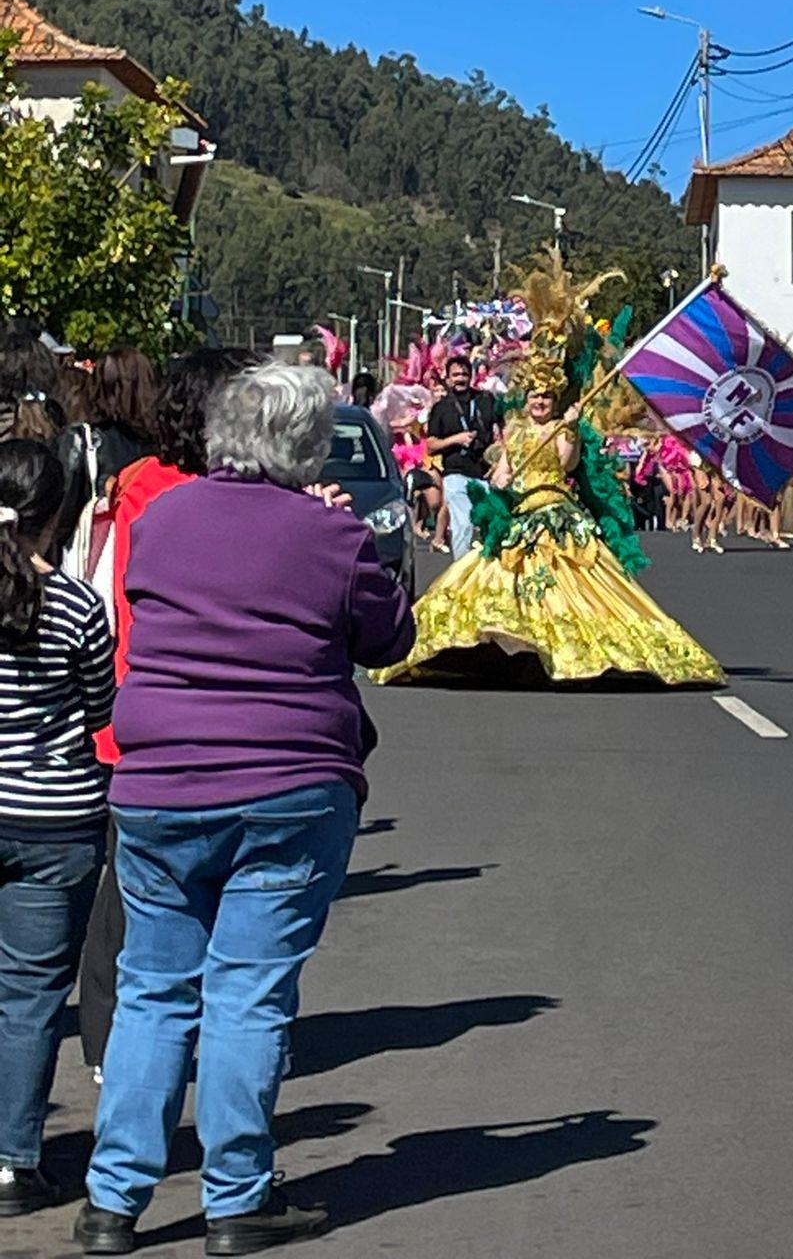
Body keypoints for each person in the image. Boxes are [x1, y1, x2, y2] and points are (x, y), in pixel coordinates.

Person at [78, 363, 414, 1256]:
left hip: (157, 781)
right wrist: (344, 532)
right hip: (286, 782)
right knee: (247, 995)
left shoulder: (162, 519)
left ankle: (112, 1200)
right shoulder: (328, 535)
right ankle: (234, 1198)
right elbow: (387, 635)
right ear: (306, 447)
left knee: (154, 990)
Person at [377, 254, 723, 690]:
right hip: (519, 516)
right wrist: (493, 495)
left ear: (555, 399)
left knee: (574, 589)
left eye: (546, 397)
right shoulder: (518, 430)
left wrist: (572, 427)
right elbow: (502, 475)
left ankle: (575, 657)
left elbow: (566, 465)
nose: (540, 402)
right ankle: (512, 652)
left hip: (558, 515)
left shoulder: (564, 427)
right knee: (495, 584)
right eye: (535, 396)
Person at [75, 349, 256, 1081]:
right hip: (202, 720)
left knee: (129, 893)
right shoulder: (218, 500)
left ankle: (112, 1043)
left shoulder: (131, 488)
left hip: (131, 712)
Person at [0, 440, 115, 1220]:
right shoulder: (77, 606)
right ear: (57, 516)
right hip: (56, 820)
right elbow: (103, 715)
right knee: (31, 996)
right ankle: (14, 1161)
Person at [56, 348, 162, 583]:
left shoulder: (83, 441)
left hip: (94, 567)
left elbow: (62, 519)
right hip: (148, 563)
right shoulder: (165, 446)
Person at [425, 354, 497, 558]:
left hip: (485, 473)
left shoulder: (485, 400)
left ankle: (487, 575)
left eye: (464, 374)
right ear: (447, 378)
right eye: (455, 375)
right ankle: (460, 574)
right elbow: (431, 445)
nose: (460, 379)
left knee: (489, 525)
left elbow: (504, 426)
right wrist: (456, 439)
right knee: (463, 524)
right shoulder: (442, 407)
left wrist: (500, 454)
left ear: (471, 376)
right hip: (455, 473)